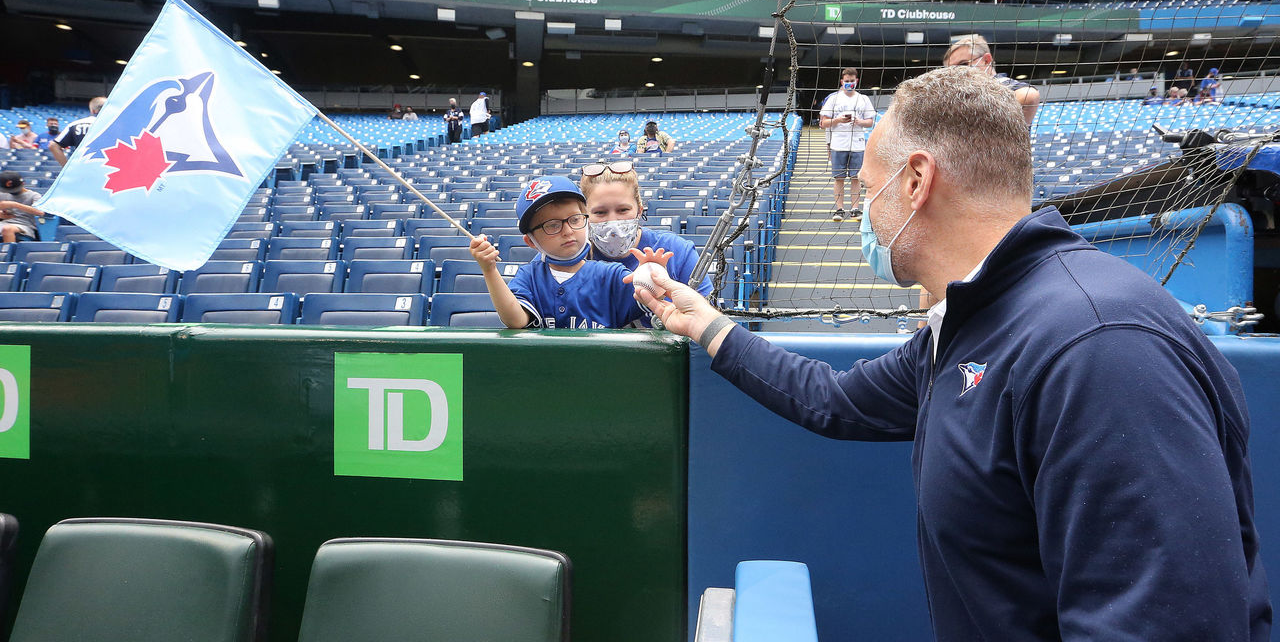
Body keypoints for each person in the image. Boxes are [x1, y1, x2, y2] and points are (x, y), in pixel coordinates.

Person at [632, 65, 1270, 642]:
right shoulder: (975, 319)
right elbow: (835, 400)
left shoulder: (1100, 346)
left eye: (870, 185)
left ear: (915, 181)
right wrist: (707, 324)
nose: (864, 213)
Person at [467, 175, 665, 329]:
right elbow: (515, 320)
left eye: (575, 219)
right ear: (531, 241)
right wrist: (489, 270)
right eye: (552, 225)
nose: (568, 231)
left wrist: (654, 279)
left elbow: (650, 301)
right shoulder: (529, 277)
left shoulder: (611, 274)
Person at [579, 160, 713, 306]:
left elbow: (710, 315)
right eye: (600, 212)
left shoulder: (678, 251)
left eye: (623, 210)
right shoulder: (576, 259)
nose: (613, 222)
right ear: (584, 215)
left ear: (639, 210)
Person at [943, 33, 1040, 126]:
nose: (958, 73)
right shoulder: (957, 94)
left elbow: (1029, 96)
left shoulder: (1006, 85)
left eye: (963, 64)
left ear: (986, 60)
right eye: (952, 70)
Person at [819, 67, 875, 222]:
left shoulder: (863, 99)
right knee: (839, 178)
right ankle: (839, 209)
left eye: (852, 81)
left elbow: (870, 122)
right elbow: (823, 122)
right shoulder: (834, 99)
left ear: (856, 81)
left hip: (857, 144)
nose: (849, 83)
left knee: (856, 178)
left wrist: (859, 121)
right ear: (841, 81)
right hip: (838, 144)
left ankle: (855, 209)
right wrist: (838, 120)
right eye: (846, 81)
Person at [49, 96, 106, 166]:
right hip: (112, 168)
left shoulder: (75, 125)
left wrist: (66, 167)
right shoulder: (117, 125)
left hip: (83, 167)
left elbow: (53, 145)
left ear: (92, 110)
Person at [0, 171, 44, 243]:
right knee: (6, 227)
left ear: (23, 183)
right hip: (5, 222)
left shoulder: (34, 195)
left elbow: (41, 212)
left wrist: (14, 205)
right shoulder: (3, 194)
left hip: (26, 226)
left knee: (7, 229)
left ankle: (9, 253)